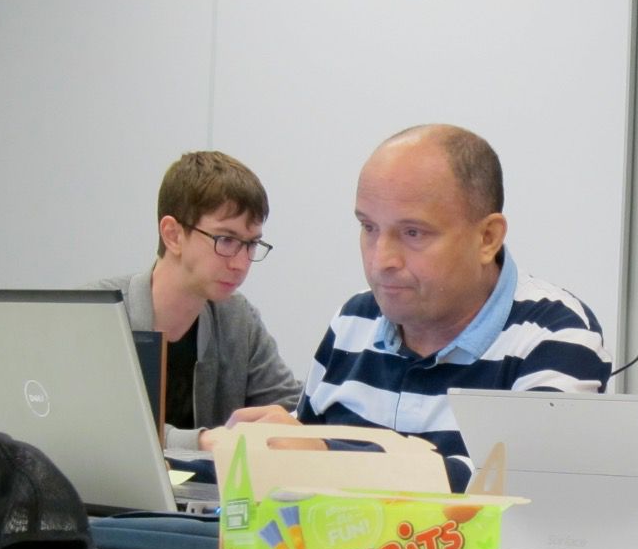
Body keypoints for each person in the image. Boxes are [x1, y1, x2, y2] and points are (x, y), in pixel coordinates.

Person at [226, 124, 611, 487]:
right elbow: (303, 463)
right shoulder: (353, 321)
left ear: (487, 238)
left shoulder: (556, 334)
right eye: (368, 228)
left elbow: (517, 486)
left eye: (413, 233)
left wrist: (329, 459)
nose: (381, 260)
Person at [92, 151, 301, 451]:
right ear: (173, 235)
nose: (241, 263)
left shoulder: (237, 318)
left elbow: (289, 410)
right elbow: (103, 426)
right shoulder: (103, 313)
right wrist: (202, 441)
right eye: (226, 240)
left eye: (251, 243)